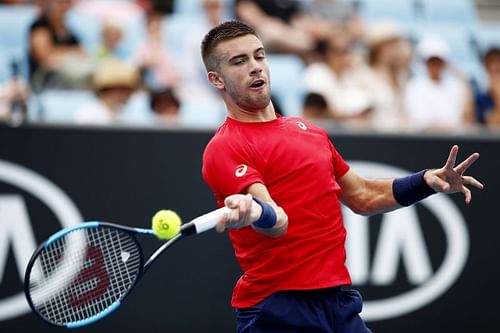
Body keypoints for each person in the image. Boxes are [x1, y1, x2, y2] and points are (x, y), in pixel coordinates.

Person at [200, 21, 483, 333]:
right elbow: (277, 222)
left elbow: (362, 196)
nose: (255, 67)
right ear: (216, 79)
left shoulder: (310, 132)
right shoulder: (225, 147)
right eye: (239, 61)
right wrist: (257, 211)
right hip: (278, 310)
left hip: (339, 304)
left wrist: (425, 181)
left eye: (259, 56)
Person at [404, 36, 475, 132]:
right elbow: (420, 120)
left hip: (454, 140)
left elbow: (466, 119)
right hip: (424, 141)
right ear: (425, 62)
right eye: (432, 61)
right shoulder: (414, 86)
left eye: (438, 61)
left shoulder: (456, 85)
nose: (435, 64)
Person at [29, 0, 91, 91]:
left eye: (67, 2)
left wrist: (58, 54)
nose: (64, 6)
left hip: (70, 82)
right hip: (46, 83)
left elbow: (83, 53)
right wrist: (71, 54)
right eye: (60, 2)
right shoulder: (39, 27)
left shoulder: (69, 31)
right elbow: (46, 59)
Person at [75, 59, 139, 125]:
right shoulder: (89, 115)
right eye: (127, 89)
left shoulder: (120, 115)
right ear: (115, 89)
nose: (131, 93)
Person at [474, 47, 500, 127]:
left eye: (498, 61)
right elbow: (493, 123)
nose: (495, 66)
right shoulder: (481, 98)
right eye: (491, 62)